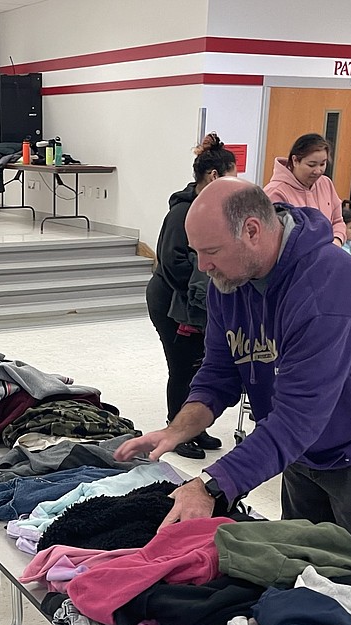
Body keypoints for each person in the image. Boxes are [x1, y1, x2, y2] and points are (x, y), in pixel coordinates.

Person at [116, 179, 351, 590]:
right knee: (302, 571)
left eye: (211, 252)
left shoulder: (324, 288)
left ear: (251, 230)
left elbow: (298, 419)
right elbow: (220, 372)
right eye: (197, 254)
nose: (203, 267)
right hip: (302, 448)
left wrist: (211, 485)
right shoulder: (230, 281)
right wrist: (177, 430)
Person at [144, 132, 238, 460]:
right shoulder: (181, 212)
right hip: (170, 302)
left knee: (200, 364)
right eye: (231, 175)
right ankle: (176, 429)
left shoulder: (211, 208)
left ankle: (196, 426)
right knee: (182, 367)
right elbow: (172, 263)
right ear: (214, 176)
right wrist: (207, 284)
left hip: (195, 302)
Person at [264, 133, 347, 246]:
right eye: (311, 165)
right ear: (295, 161)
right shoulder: (276, 192)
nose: (318, 171)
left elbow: (338, 221)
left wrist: (336, 241)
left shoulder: (326, 183)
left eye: (322, 164)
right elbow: (272, 240)